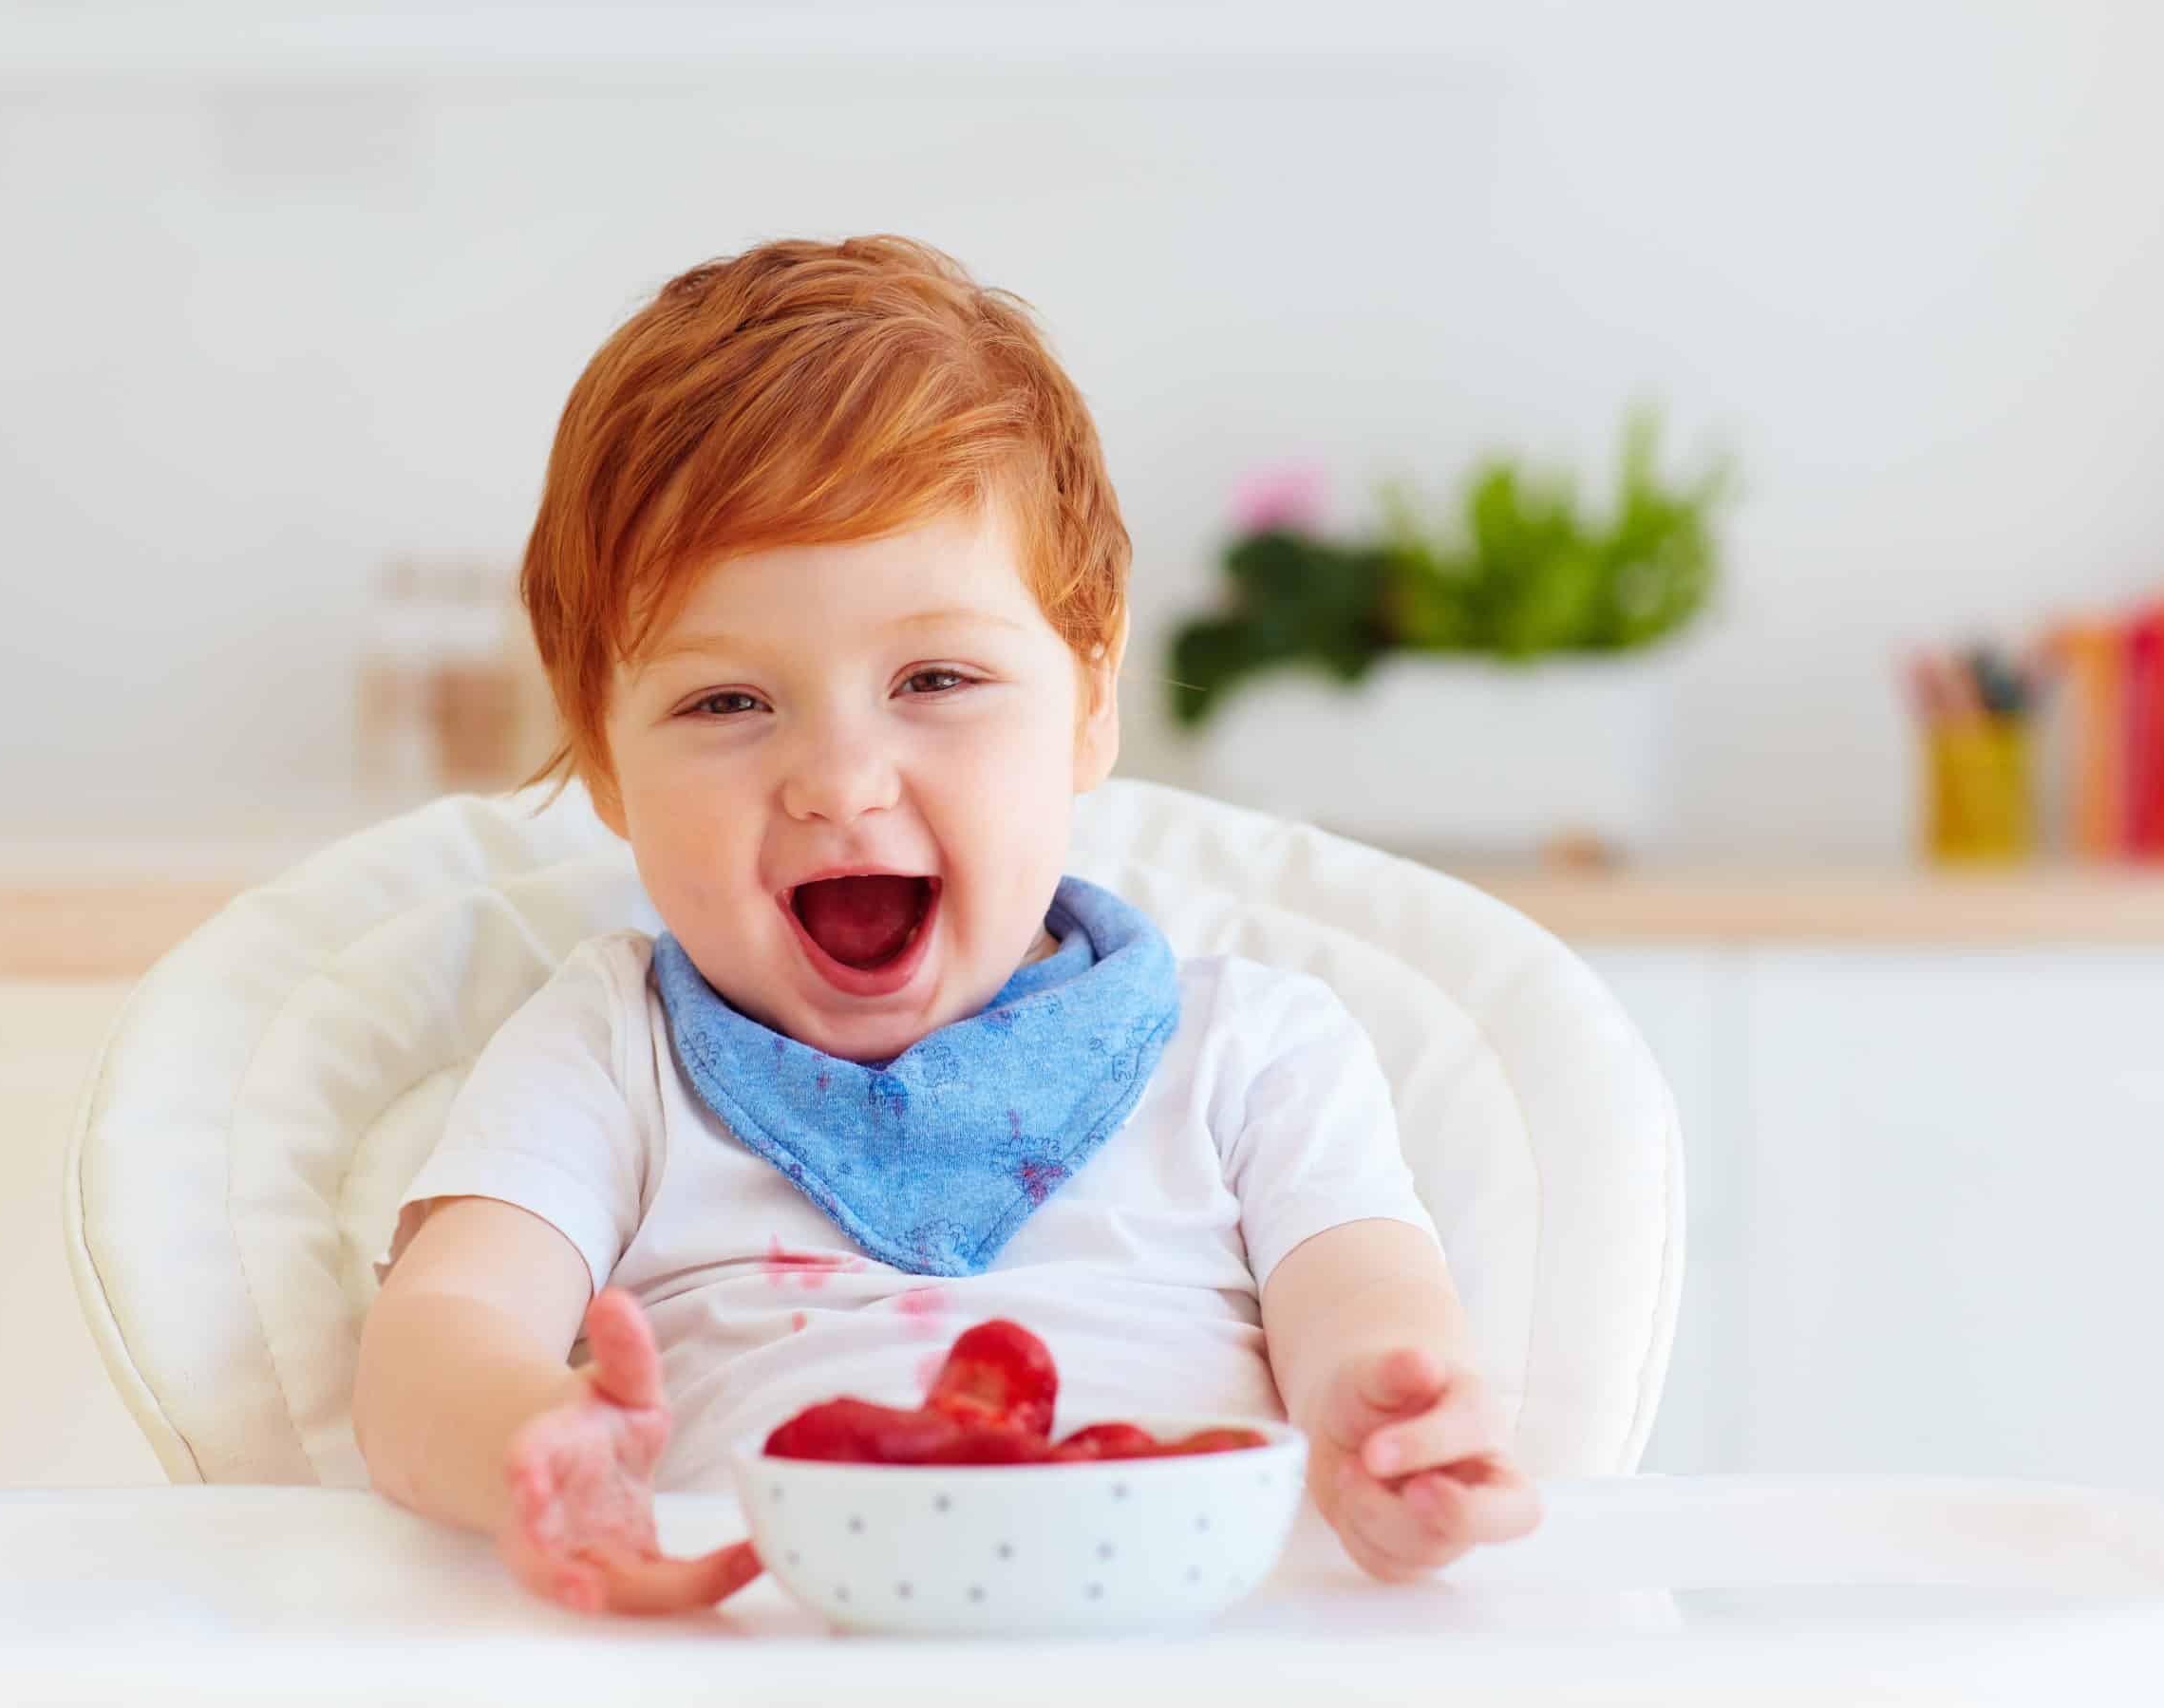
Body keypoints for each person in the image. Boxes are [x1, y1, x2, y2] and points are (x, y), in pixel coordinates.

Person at [352, 235, 1541, 1618]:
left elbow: (1372, 1310)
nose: (840, 782)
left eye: (935, 677)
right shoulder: (611, 1054)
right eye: (727, 702)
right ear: (606, 766)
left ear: (1092, 704)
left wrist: (1391, 1434)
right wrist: (532, 1443)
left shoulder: (1252, 1055)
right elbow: (430, 1342)